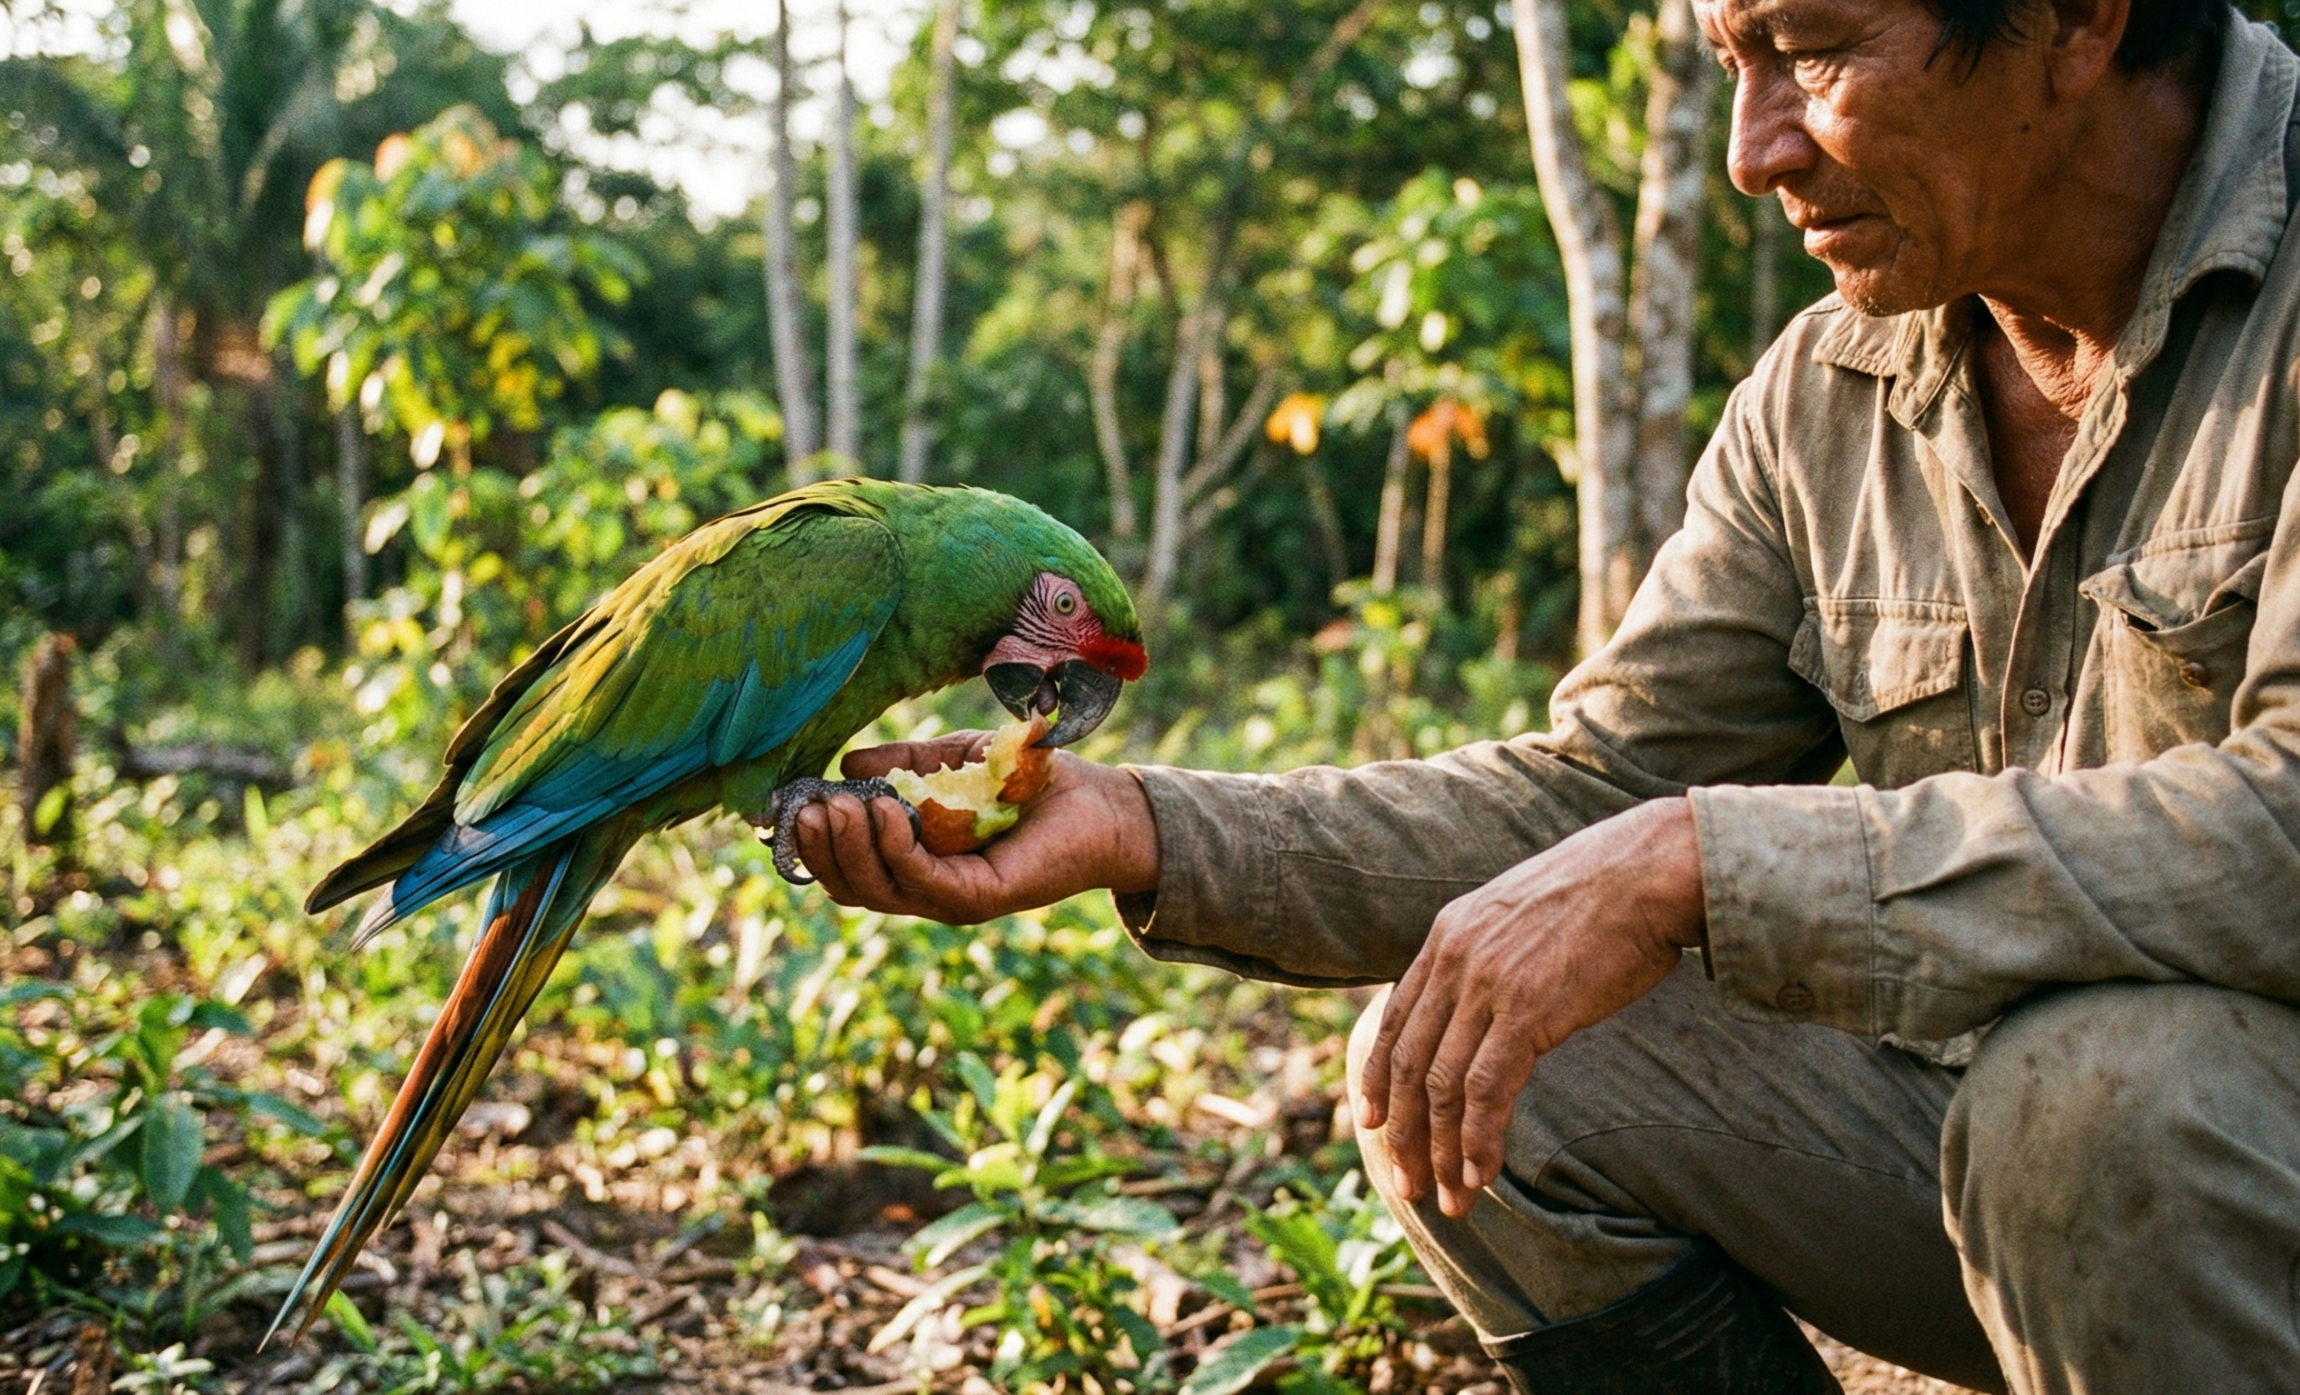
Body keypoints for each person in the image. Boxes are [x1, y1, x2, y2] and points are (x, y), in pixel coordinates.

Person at [793, 0, 2300, 1389]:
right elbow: (1599, 786)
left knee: (2099, 1104)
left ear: (2076, 18)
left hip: (2193, 1154)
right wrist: (1140, 824)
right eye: (1732, 65)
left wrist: (1701, 861)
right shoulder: (1826, 393)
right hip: (2028, 1175)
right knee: (1473, 1052)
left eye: (1814, 50)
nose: (1750, 151)